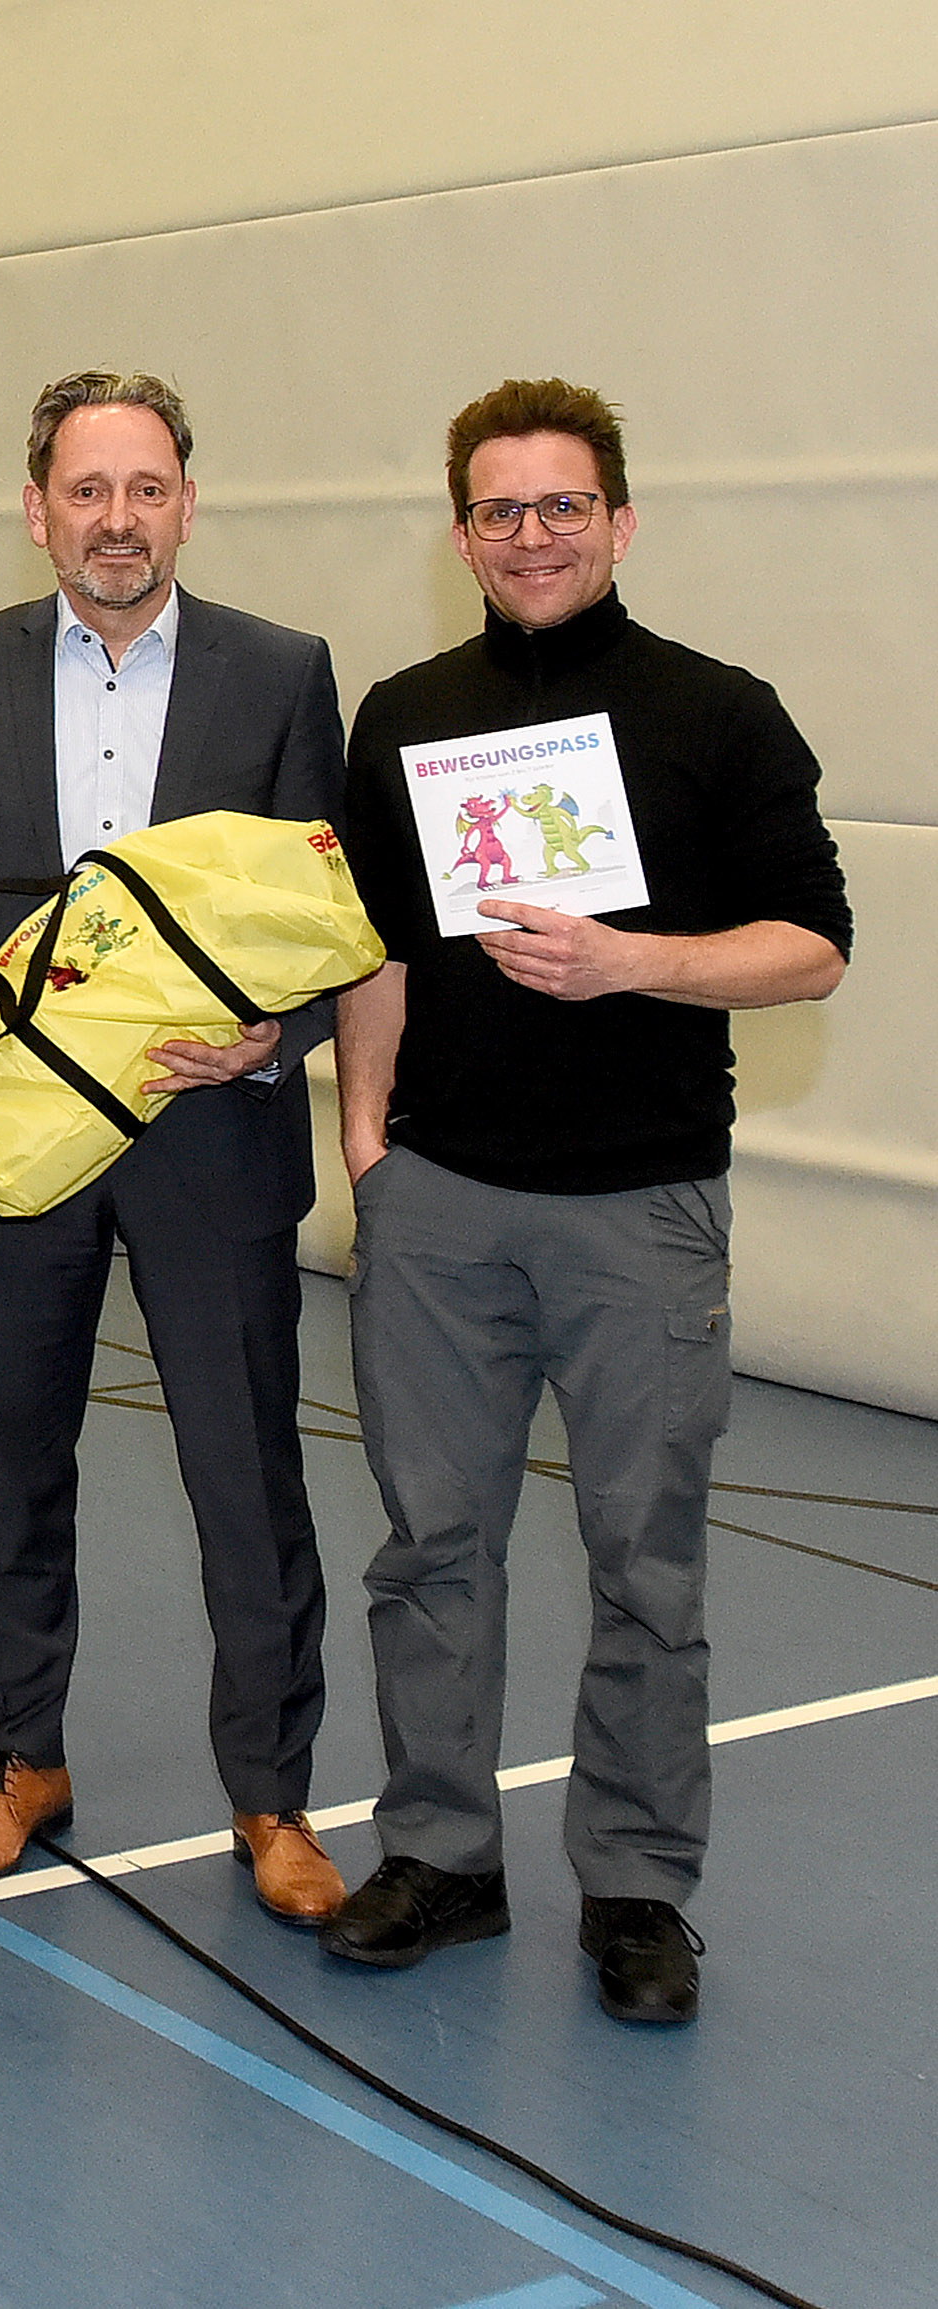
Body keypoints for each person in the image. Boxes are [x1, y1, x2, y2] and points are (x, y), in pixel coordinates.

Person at [321, 379, 849, 2024]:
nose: (529, 535)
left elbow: (809, 944)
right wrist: (365, 1146)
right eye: (498, 509)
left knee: (643, 1561)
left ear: (616, 521)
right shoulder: (404, 716)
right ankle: (439, 1854)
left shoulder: (718, 713)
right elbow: (371, 949)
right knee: (430, 1549)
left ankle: (631, 1885)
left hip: (639, 1213)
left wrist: (633, 963)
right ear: (458, 533)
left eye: (559, 506)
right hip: (439, 1208)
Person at [0, 372, 350, 1923]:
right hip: (17, 1147)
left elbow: (335, 913)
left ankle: (269, 1795)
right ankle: (19, 1759)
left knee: (243, 1473)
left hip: (210, 1139)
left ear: (185, 505)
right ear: (37, 511)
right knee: (13, 1460)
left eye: (144, 488)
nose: (116, 519)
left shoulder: (278, 673)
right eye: (85, 490)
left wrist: (274, 1034)